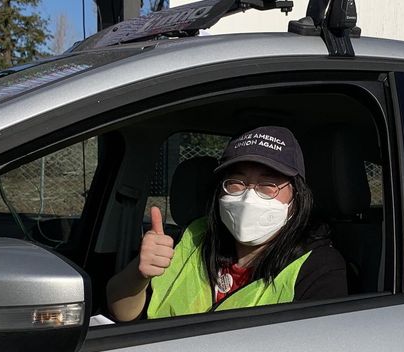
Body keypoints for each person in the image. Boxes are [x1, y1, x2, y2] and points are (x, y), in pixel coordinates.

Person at [107, 126, 348, 322]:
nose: (248, 197)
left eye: (268, 185)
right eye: (236, 183)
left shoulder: (319, 267)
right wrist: (139, 274)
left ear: (296, 198)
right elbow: (123, 312)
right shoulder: (193, 238)